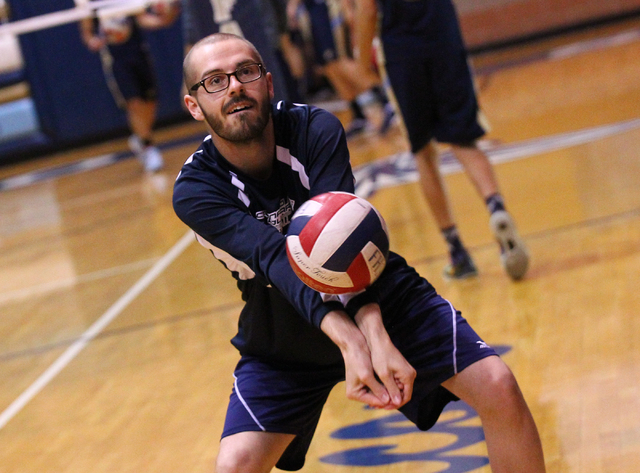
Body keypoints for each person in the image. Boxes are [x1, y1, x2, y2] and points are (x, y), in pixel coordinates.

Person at [173, 33, 546, 472]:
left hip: (375, 289)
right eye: (214, 80)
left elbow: (345, 247)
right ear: (194, 105)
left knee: (498, 387)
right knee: (234, 466)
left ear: (268, 83)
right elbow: (277, 258)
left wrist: (375, 331)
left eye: (245, 72)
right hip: (283, 327)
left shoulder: (315, 129)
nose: (234, 86)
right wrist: (354, 342)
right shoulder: (196, 190)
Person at [353, 0, 529, 281]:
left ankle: (457, 251)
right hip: (443, 36)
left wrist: (362, 63)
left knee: (423, 152)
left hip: (402, 50)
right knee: (464, 141)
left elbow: (367, 8)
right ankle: (495, 207)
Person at [79, 3, 180, 172]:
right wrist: (93, 41)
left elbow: (142, 20)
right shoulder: (90, 4)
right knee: (134, 103)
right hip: (116, 60)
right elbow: (87, 32)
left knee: (150, 102)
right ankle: (148, 146)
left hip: (139, 53)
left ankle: (140, 138)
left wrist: (165, 19)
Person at [286, 0, 395, 137]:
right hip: (312, 12)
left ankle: (386, 101)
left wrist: (347, 8)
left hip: (330, 10)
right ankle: (358, 114)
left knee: (341, 61)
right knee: (328, 66)